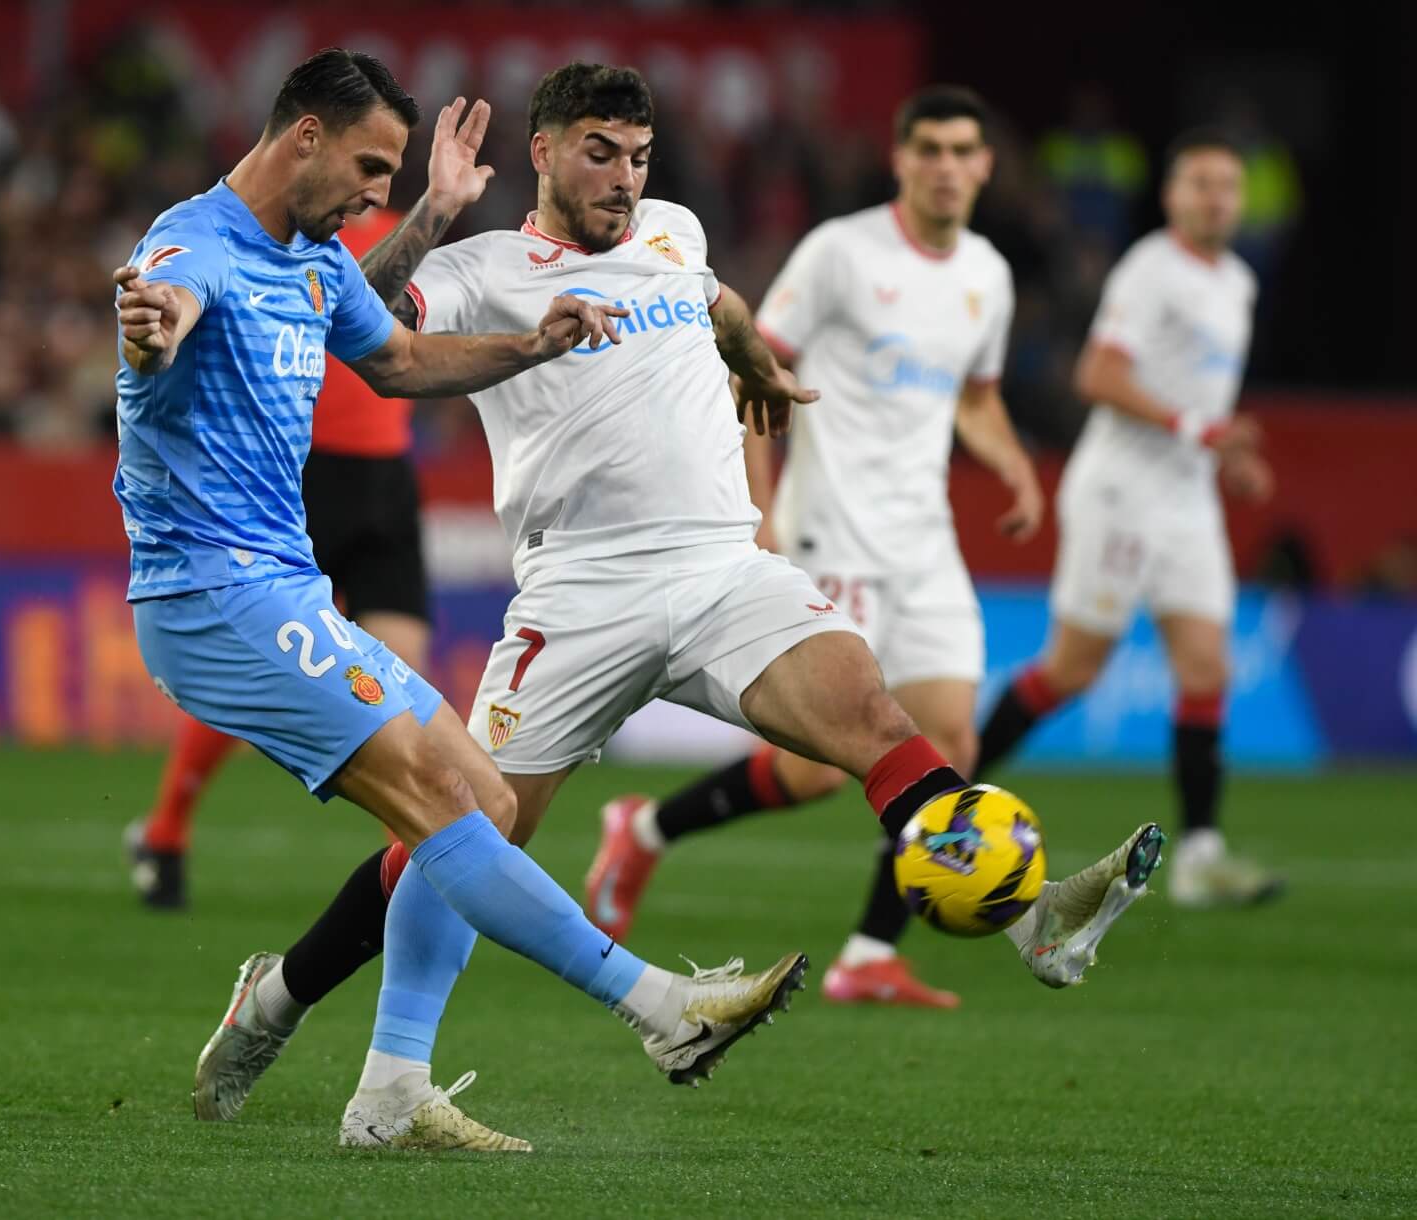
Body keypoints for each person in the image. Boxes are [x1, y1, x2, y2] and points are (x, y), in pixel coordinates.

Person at [115, 49, 809, 1154]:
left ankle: (378, 1080)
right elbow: (168, 309)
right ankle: (660, 1007)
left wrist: (524, 343)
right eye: (371, 168)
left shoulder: (308, 256)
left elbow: (395, 360)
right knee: (446, 797)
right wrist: (153, 331)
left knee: (476, 801)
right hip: (211, 593)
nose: (375, 196)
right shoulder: (192, 244)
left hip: (279, 583)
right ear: (304, 135)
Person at [583, 85, 1045, 1010]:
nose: (947, 166)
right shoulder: (842, 252)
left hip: (926, 538)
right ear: (901, 158)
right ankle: (645, 828)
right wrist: (762, 505)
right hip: (835, 527)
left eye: (964, 151)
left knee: (949, 741)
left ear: (986, 166)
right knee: (814, 769)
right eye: (931, 150)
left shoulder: (987, 274)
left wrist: (1018, 468)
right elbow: (752, 357)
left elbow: (974, 396)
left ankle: (869, 952)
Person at [974, 128, 1282, 907]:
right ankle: (940, 797)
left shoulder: (1238, 280)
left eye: (1228, 186)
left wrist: (1225, 453)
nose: (1217, 198)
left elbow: (1197, 398)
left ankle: (1200, 857)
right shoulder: (1153, 270)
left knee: (1208, 667)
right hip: (1120, 493)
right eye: (1201, 184)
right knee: (1072, 671)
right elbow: (1098, 372)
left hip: (1187, 497)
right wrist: (1194, 429)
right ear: (1173, 196)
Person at [125, 207, 439, 910]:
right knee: (259, 662)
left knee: (402, 679)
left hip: (389, 476)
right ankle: (167, 827)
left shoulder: (413, 232)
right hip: (300, 471)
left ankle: (407, 882)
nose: (370, 182)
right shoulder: (287, 245)